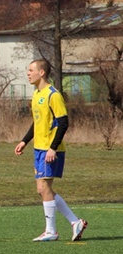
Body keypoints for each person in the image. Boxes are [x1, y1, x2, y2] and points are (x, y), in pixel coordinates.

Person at [14, 58, 87, 242]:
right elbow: (38, 122)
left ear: (42, 73)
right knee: (42, 189)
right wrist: (25, 141)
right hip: (39, 149)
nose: (28, 73)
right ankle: (74, 222)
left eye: (31, 70)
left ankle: (51, 231)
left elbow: (63, 122)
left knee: (44, 187)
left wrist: (53, 148)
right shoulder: (36, 95)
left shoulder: (53, 95)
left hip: (51, 150)